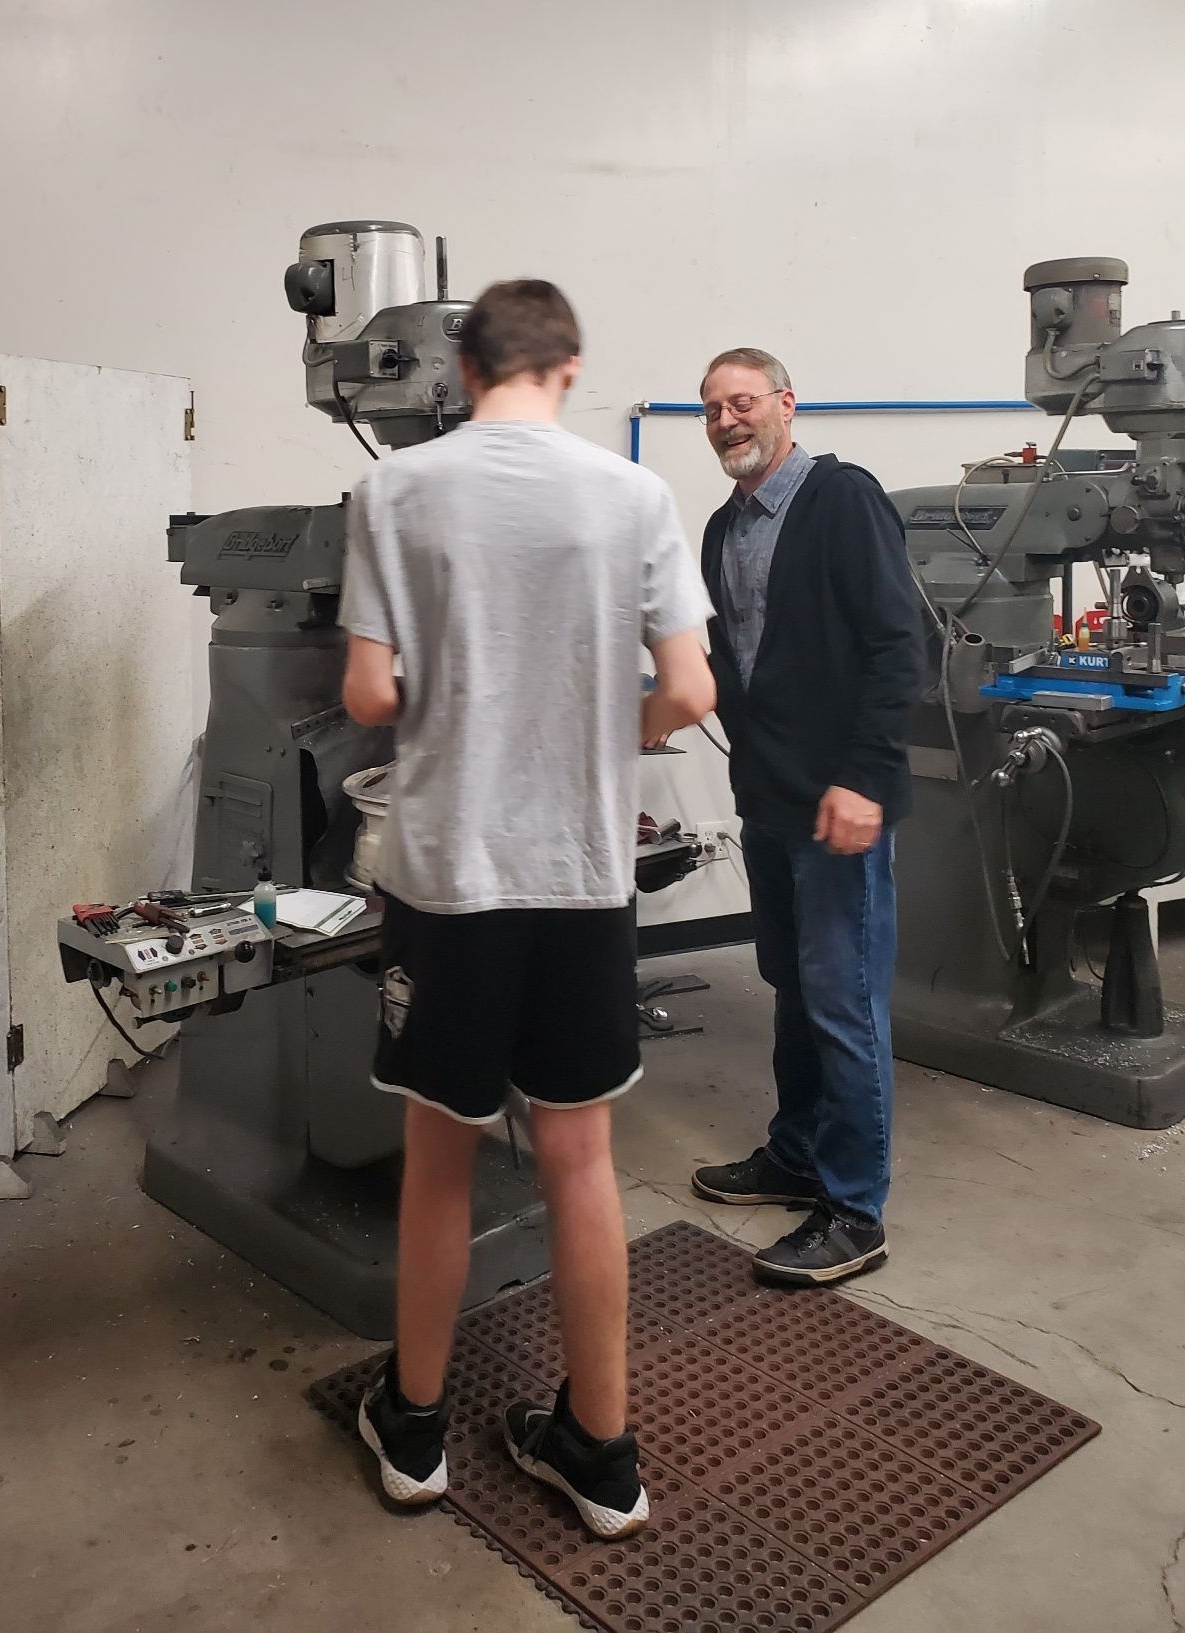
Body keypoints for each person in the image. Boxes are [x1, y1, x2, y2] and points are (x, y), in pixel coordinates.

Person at [339, 280, 715, 1536]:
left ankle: (413, 1434)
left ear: (462, 361)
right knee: (580, 1156)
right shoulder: (635, 494)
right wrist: (601, 731)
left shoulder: (394, 491)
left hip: (449, 873)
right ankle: (600, 1455)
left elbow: (370, 697)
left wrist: (460, 689)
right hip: (581, 870)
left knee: (439, 1158)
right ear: (567, 366)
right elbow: (690, 686)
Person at [689, 347, 923, 1285]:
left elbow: (898, 645)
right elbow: (739, 665)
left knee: (843, 998)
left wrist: (864, 777)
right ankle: (795, 1152)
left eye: (741, 401)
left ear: (786, 404)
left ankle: (854, 1209)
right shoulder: (721, 529)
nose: (726, 420)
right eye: (710, 410)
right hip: (773, 801)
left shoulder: (842, 499)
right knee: (791, 980)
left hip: (841, 804)